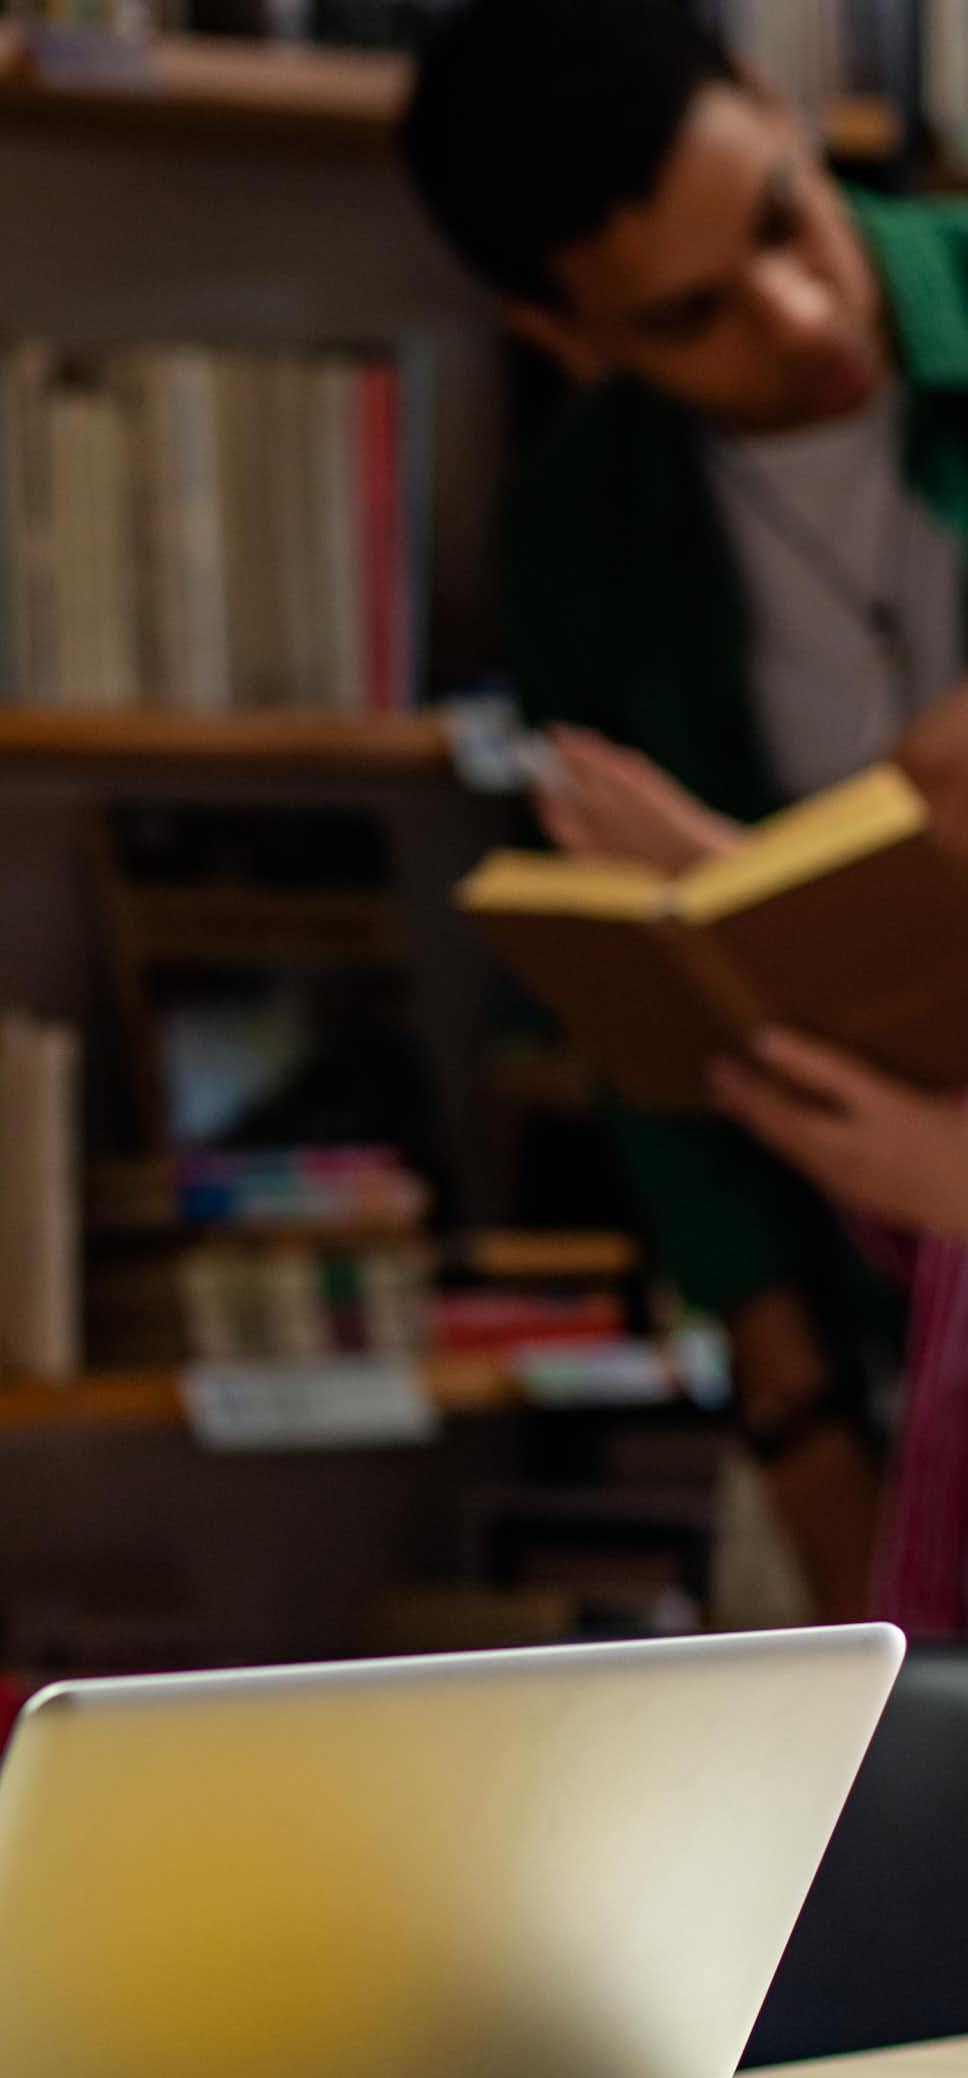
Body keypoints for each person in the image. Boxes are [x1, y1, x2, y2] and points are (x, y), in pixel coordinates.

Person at [401, 0, 968, 1629]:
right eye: (691, 314)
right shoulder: (591, 530)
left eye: (787, 220)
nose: (798, 315)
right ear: (562, 328)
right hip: (888, 1314)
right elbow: (666, 1033)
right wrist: (798, 1434)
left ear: (784, 109)